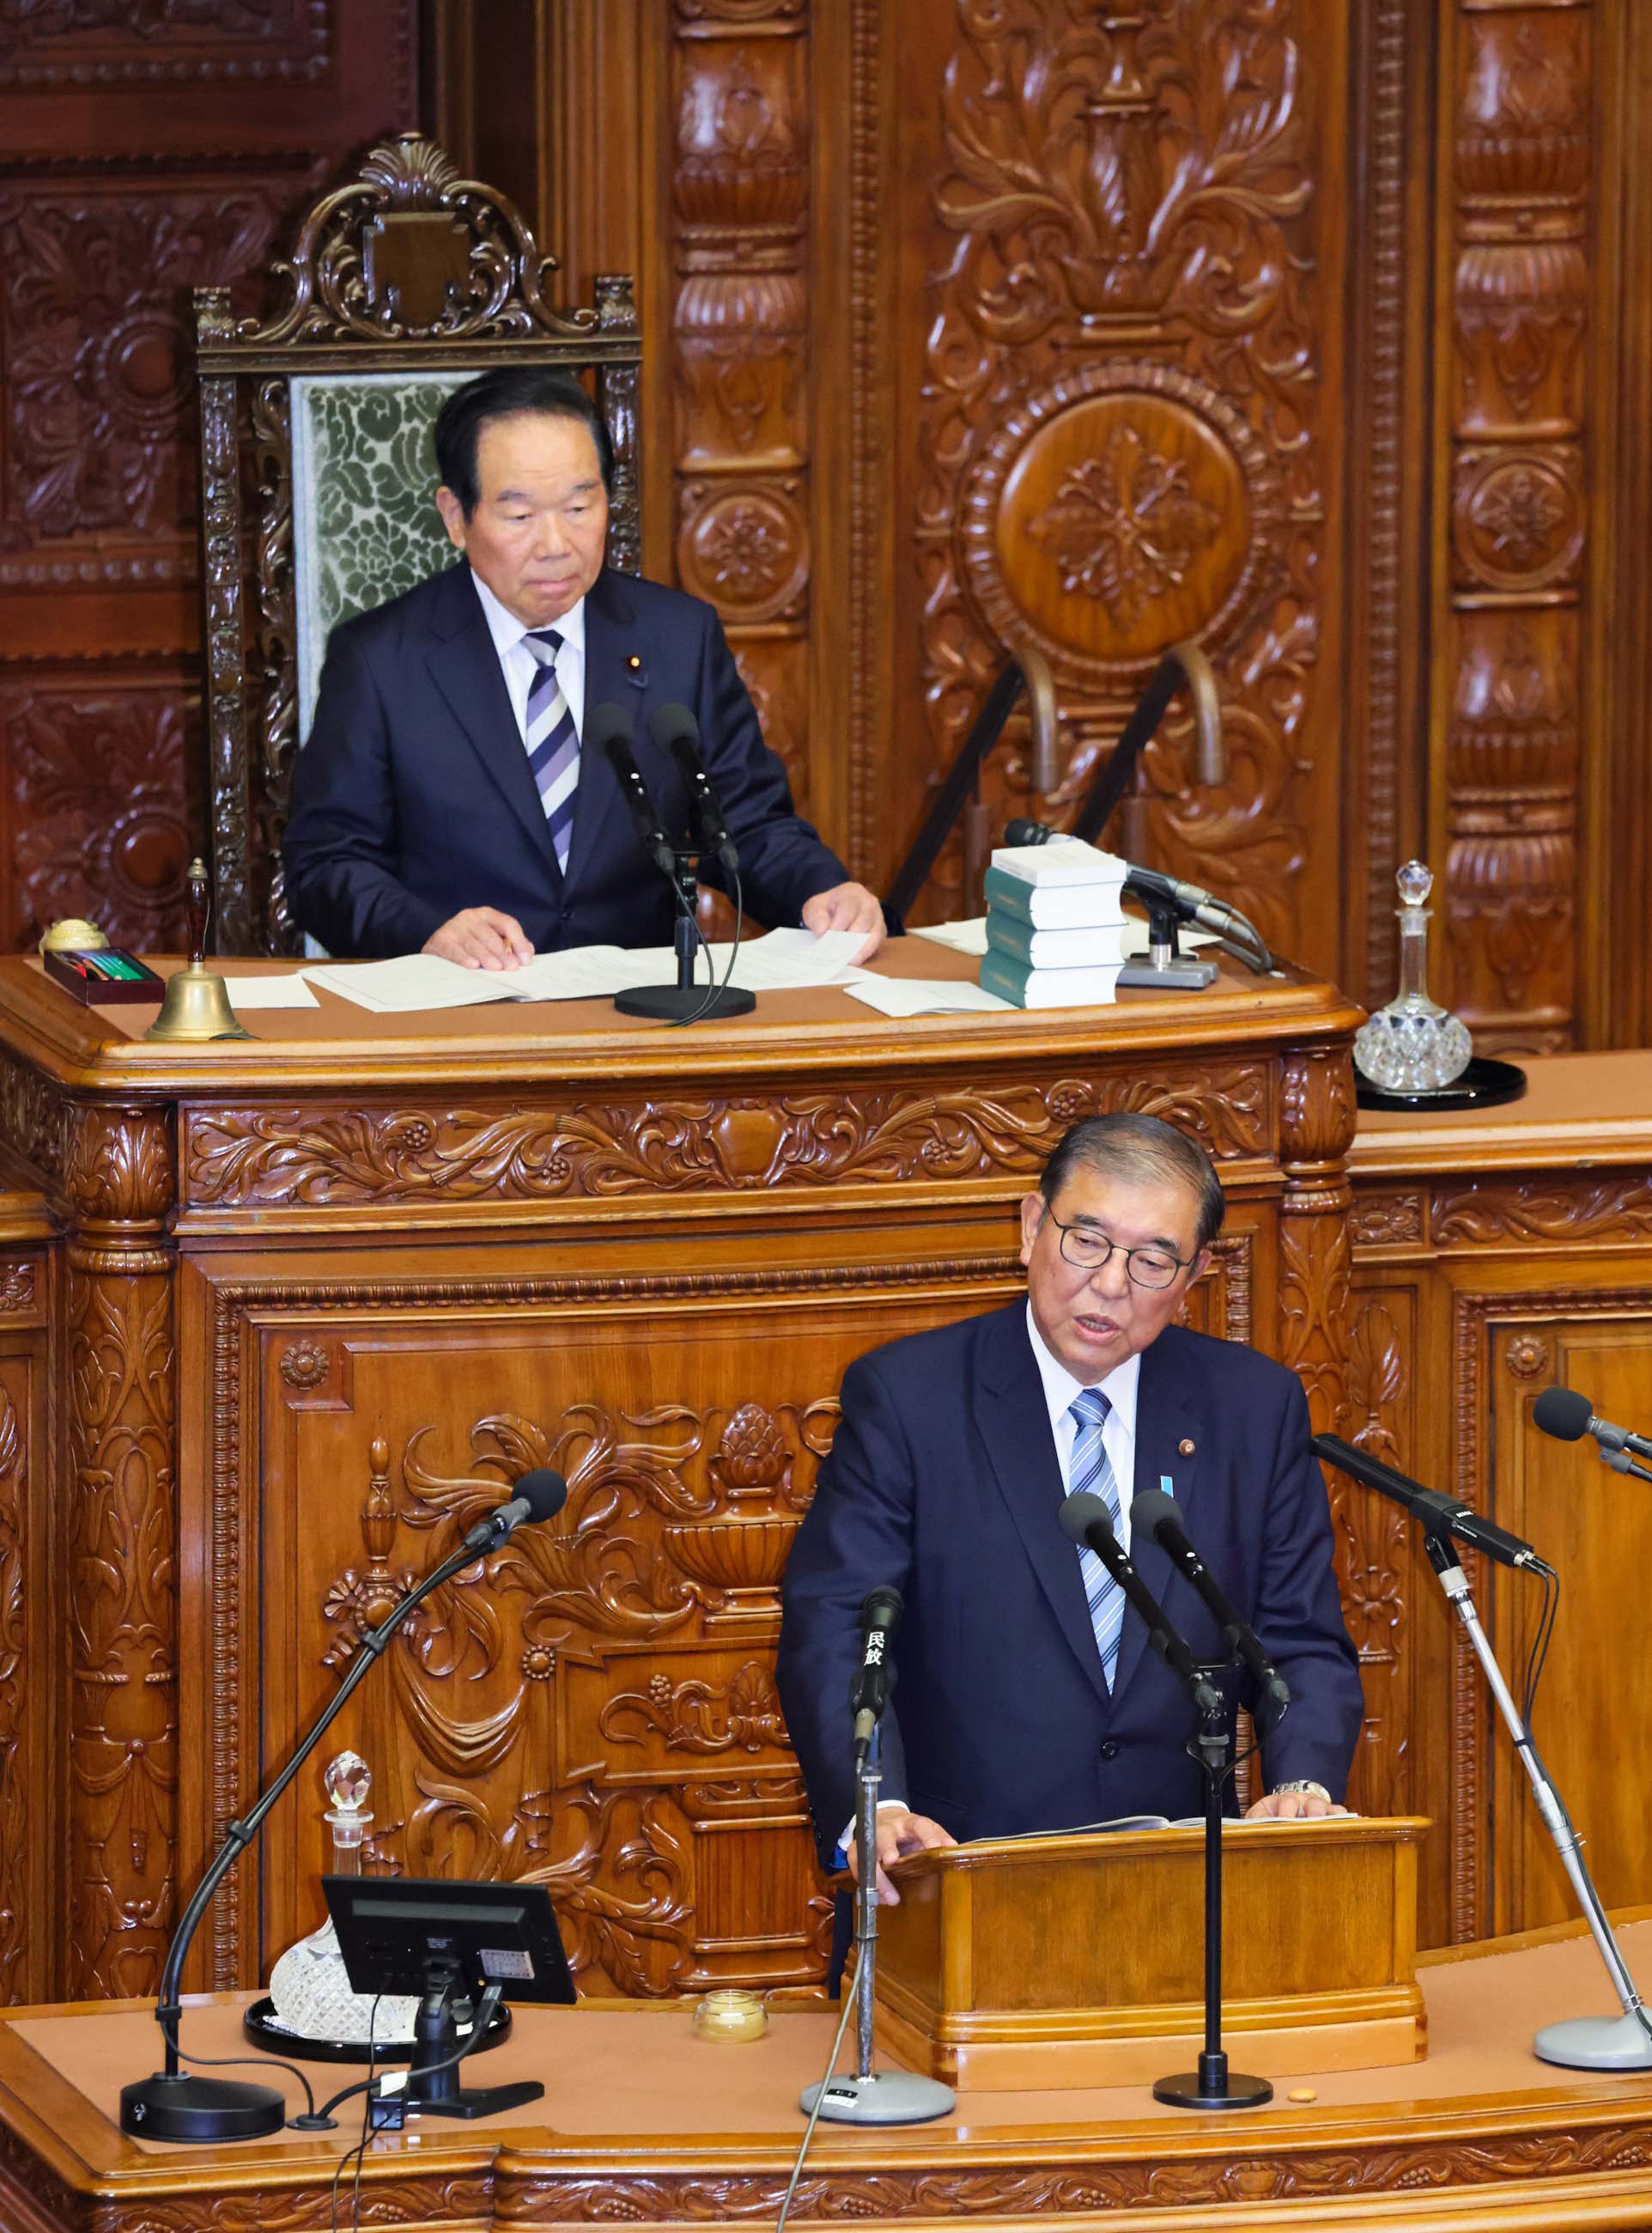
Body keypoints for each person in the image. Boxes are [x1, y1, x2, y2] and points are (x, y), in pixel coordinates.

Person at [776, 1113, 1364, 1907]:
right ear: (1029, 1228)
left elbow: (1297, 1645)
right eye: (1086, 1241)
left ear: (1192, 1279)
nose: (1113, 1284)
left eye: (1154, 1259)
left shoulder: (1251, 1409)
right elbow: (843, 1625)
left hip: (1185, 1893)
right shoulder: (910, 1399)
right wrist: (877, 1806)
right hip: (958, 1883)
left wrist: (1302, 1784)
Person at [283, 367, 884, 966]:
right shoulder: (380, 661)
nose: (555, 545)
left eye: (579, 505)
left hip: (643, 1016)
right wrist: (427, 931)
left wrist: (823, 892)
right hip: (461, 1020)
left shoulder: (678, 639)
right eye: (519, 517)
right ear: (455, 517)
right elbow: (327, 867)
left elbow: (748, 825)